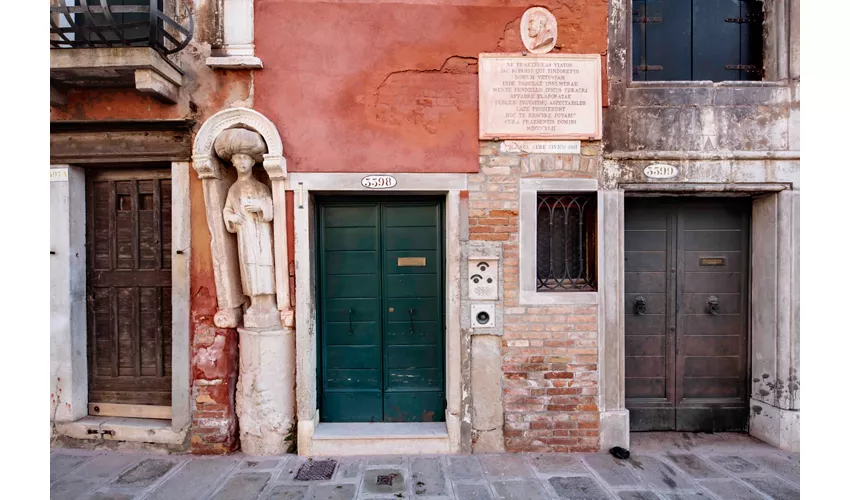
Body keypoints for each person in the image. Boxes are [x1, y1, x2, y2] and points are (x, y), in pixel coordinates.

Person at [215, 128, 281, 329]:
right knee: (248, 267)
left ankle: (268, 303)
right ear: (233, 163)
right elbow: (226, 210)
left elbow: (270, 208)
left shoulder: (261, 187)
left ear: (252, 162)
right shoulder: (233, 189)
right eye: (238, 159)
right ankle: (254, 303)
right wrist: (232, 216)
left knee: (263, 266)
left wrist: (260, 208)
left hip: (261, 235)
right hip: (245, 236)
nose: (242, 163)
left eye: (245, 158)